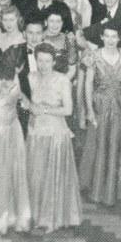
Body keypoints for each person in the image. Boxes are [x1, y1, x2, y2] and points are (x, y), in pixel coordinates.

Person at [25, 43, 82, 231]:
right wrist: (26, 105)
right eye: (40, 60)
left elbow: (68, 110)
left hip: (56, 134)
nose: (43, 65)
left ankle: (51, 218)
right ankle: (36, 215)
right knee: (36, 176)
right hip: (35, 133)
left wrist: (45, 109)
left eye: (47, 61)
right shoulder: (30, 78)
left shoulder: (62, 80)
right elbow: (25, 102)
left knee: (53, 177)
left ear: (54, 61)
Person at [79, 23, 121, 206]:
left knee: (119, 146)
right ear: (102, 37)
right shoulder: (92, 57)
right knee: (99, 145)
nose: (111, 40)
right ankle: (96, 189)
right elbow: (88, 84)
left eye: (114, 36)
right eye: (107, 36)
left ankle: (115, 190)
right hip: (100, 104)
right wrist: (89, 110)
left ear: (119, 38)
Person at [0, 63, 31, 234]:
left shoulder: (14, 79)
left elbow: (22, 100)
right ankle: (1, 214)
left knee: (12, 170)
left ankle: (8, 214)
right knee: (0, 170)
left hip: (11, 128)